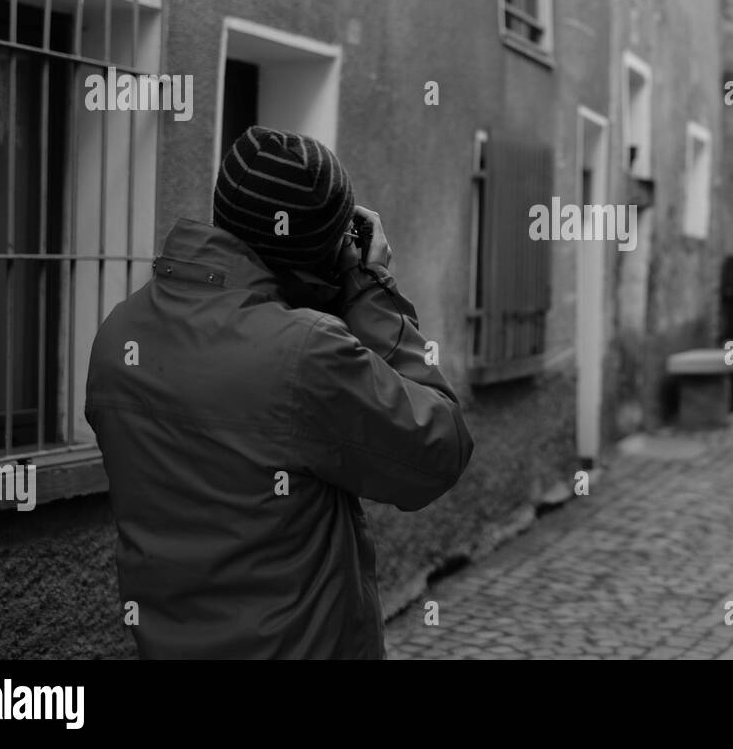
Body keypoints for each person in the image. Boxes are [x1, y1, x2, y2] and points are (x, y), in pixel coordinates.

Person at [86, 125, 473, 658]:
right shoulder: (306, 352)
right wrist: (369, 289)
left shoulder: (118, 332)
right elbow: (440, 447)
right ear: (318, 256)